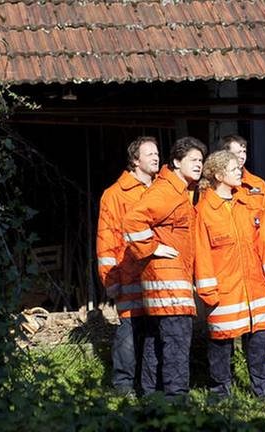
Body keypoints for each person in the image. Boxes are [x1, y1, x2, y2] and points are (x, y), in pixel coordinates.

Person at [122, 136, 206, 397]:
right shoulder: (167, 191)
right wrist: (153, 248)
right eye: (193, 160)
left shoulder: (177, 190)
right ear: (177, 162)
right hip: (170, 285)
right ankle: (175, 401)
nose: (199, 165)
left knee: (155, 341)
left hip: (164, 285)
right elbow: (133, 221)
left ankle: (152, 396)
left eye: (201, 160)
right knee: (176, 343)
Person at [194, 150, 265, 399]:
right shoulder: (204, 211)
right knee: (221, 346)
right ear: (219, 175)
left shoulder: (247, 204)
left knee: (259, 345)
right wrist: (208, 291)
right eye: (234, 169)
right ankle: (221, 394)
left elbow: (264, 243)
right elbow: (201, 253)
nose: (240, 172)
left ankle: (264, 393)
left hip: (256, 289)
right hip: (225, 292)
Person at [96, 136, 159, 397]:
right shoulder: (114, 195)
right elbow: (106, 239)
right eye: (150, 154)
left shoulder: (162, 191)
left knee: (154, 333)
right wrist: (110, 280)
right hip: (128, 273)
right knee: (128, 333)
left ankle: (150, 387)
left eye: (157, 153)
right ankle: (123, 386)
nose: (156, 157)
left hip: (158, 276)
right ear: (135, 160)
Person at [220, 135, 265, 375]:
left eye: (244, 151)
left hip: (258, 264)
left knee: (260, 321)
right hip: (229, 267)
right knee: (228, 323)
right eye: (236, 152)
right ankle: (224, 375)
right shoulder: (215, 187)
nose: (242, 156)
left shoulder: (257, 185)